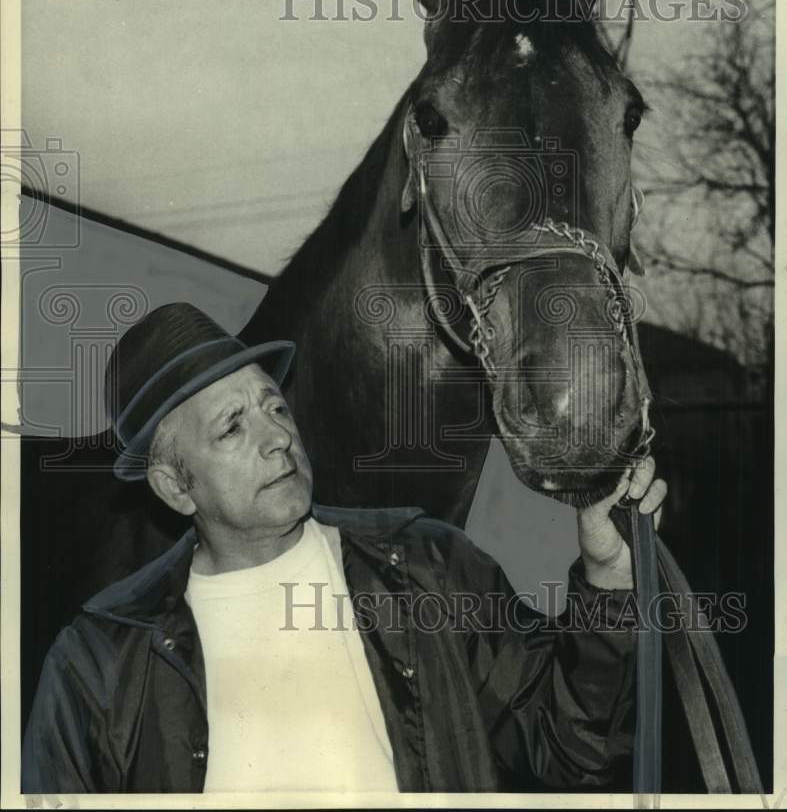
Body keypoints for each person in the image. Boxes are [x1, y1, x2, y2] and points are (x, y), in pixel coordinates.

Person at [22, 302, 667, 794]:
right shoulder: (98, 664)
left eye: (274, 406)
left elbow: (572, 746)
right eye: (232, 427)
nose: (277, 437)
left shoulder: (427, 571)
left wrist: (609, 578)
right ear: (174, 485)